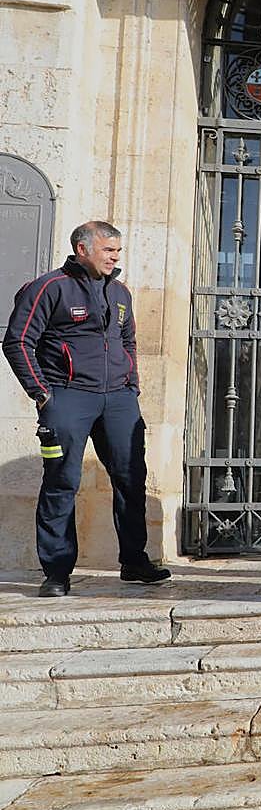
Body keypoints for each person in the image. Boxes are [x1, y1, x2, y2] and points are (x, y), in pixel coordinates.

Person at [3, 221, 169, 597]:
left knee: (131, 479)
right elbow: (18, 341)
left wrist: (131, 386)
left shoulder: (120, 292)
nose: (115, 258)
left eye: (118, 251)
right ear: (83, 249)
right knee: (62, 482)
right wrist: (42, 393)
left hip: (119, 400)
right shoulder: (49, 288)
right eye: (108, 250)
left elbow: (128, 341)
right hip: (67, 398)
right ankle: (57, 572)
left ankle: (134, 561)